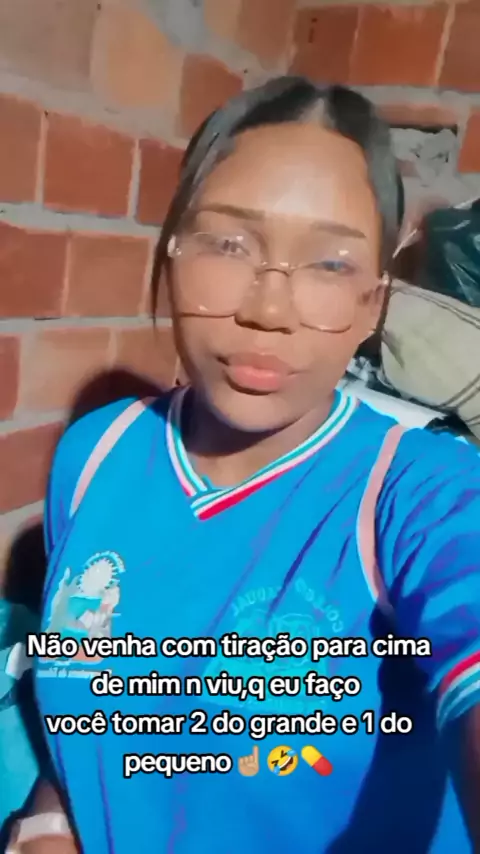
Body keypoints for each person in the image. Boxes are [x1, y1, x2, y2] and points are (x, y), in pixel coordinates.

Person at [8, 76, 480, 854]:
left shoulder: (420, 494)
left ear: (372, 303)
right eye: (230, 245)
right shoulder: (96, 456)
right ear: (172, 254)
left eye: (330, 265)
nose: (268, 309)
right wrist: (49, 814)